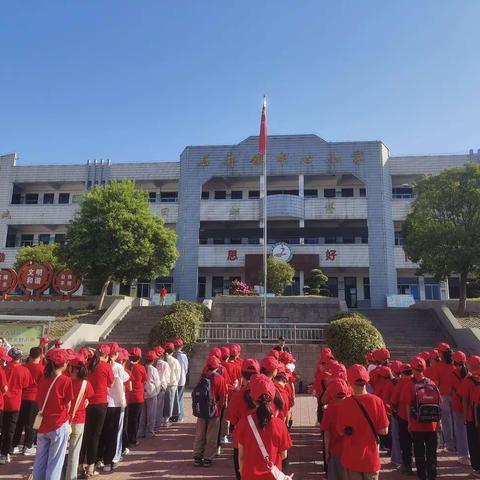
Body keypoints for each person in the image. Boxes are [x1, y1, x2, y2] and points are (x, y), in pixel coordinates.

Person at [336, 364, 389, 480]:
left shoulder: (344, 404)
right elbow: (384, 431)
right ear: (367, 380)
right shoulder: (377, 401)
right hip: (371, 458)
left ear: (349, 381)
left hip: (351, 457)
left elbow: (340, 432)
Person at [235, 374, 292, 479]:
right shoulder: (280, 425)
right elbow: (284, 455)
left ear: (252, 398)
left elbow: (241, 456)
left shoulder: (243, 423)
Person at [33, 348, 74, 480]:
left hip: (42, 424)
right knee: (55, 462)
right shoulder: (65, 380)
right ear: (63, 364)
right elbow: (68, 404)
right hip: (58, 423)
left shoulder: (42, 377)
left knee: (40, 461)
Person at [401, 356, 439, 480]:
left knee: (419, 451)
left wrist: (409, 422)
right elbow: (439, 402)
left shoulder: (409, 384)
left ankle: (422, 475)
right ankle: (432, 474)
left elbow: (407, 404)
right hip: (432, 423)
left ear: (412, 368)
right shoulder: (431, 383)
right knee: (432, 452)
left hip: (417, 423)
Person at [79, 344, 114, 477]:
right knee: (95, 436)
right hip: (100, 404)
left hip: (87, 403)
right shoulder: (106, 367)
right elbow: (110, 383)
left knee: (85, 435)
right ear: (106, 355)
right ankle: (91, 467)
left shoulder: (88, 365)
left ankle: (79, 465)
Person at [97, 342, 129, 472]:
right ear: (114, 354)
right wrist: (123, 404)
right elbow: (123, 383)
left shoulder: (100, 366)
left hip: (103, 403)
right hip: (115, 404)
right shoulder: (117, 367)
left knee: (102, 433)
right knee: (113, 434)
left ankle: (99, 459)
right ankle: (109, 462)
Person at [227, 358, 260, 480]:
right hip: (262, 440)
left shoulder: (237, 396)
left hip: (241, 441)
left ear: (242, 375)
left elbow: (232, 419)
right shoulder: (266, 393)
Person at [193, 355, 226, 467]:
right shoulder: (220, 379)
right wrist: (220, 409)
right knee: (211, 435)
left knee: (200, 434)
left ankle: (197, 456)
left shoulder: (202, 377)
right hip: (214, 410)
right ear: (217, 367)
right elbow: (222, 397)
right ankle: (208, 458)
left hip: (201, 410)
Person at [1, 347, 32, 465]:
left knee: (3, 429)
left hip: (3, 402)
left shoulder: (3, 368)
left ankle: (3, 451)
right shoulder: (24, 370)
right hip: (15, 403)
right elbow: (25, 386)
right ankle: (6, 453)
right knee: (10, 429)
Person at [65, 353, 94, 480]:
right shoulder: (86, 384)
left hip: (64, 421)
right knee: (74, 453)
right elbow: (89, 397)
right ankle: (70, 477)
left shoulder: (66, 382)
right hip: (79, 421)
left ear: (73, 368)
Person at [13, 346, 44, 456]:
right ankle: (28, 446)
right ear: (40, 356)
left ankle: (14, 445)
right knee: (31, 424)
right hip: (35, 398)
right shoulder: (42, 368)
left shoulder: (24, 367)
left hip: (22, 397)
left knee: (19, 423)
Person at [321, 378, 349, 480]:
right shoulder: (352, 405)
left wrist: (327, 452)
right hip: (352, 449)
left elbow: (327, 434)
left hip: (336, 450)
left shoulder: (330, 410)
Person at [459, 354, 480, 475]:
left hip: (473, 417)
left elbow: (465, 399)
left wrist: (466, 415)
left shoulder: (468, 380)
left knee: (474, 443)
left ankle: (477, 468)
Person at [433, 342, 455, 453]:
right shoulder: (454, 364)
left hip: (443, 396)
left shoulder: (438, 366)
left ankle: (450, 446)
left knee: (446, 421)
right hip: (456, 395)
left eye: (439, 351)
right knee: (456, 420)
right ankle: (457, 444)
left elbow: (436, 383)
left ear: (441, 353)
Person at [450, 350, 470, 466]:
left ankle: (463, 455)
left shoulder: (453, 373)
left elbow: (451, 389)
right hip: (469, 405)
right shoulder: (469, 374)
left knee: (460, 430)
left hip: (458, 404)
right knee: (469, 430)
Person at [125, 347, 147, 448]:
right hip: (138, 397)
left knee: (129, 419)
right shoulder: (141, 368)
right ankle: (132, 440)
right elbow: (145, 380)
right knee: (135, 420)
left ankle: (127, 439)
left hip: (128, 396)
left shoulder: (126, 367)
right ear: (139, 358)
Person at [138, 350, 161, 438]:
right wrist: (156, 392)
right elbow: (157, 382)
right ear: (153, 360)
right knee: (151, 414)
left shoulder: (141, 367)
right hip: (151, 393)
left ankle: (141, 431)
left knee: (143, 414)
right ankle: (150, 432)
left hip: (143, 392)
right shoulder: (153, 369)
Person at [162, 342, 180, 426]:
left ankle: (163, 419)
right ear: (173, 351)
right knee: (170, 403)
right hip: (172, 384)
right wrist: (176, 381)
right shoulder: (174, 361)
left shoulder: (161, 360)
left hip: (163, 384)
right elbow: (178, 373)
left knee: (163, 402)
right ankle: (166, 420)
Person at [154, 346, 170, 432]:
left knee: (152, 408)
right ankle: (156, 425)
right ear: (162, 355)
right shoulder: (165, 364)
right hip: (161, 386)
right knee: (159, 407)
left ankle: (152, 424)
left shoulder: (153, 363)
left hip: (152, 388)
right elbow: (167, 377)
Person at [172, 338, 188, 423]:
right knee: (180, 398)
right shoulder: (183, 356)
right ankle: (180, 416)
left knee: (174, 398)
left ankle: (174, 415)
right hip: (181, 380)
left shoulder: (172, 355)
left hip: (173, 380)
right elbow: (186, 368)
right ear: (181, 346)